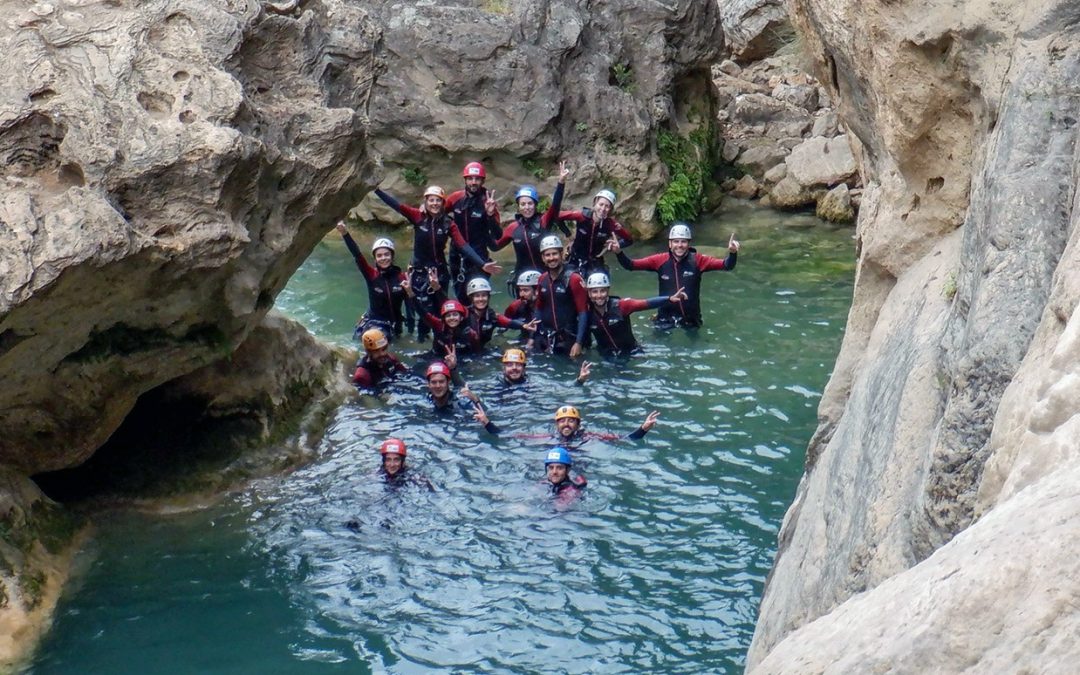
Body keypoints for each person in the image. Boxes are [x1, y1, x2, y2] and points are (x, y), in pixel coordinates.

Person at [372, 184, 500, 340]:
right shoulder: (417, 216)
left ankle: (444, 342)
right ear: (426, 202)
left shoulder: (448, 223)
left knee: (441, 311)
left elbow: (463, 245)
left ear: (443, 203)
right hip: (419, 273)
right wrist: (376, 190)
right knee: (421, 312)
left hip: (439, 273)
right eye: (431, 200)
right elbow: (396, 205)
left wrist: (482, 264)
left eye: (438, 200)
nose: (434, 204)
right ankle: (418, 341)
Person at [608, 222, 739, 328]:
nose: (679, 245)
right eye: (676, 242)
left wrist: (732, 253)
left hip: (691, 318)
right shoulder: (660, 260)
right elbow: (630, 265)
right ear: (670, 244)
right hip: (665, 317)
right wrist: (619, 252)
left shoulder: (698, 260)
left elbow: (727, 265)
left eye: (683, 242)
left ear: (689, 244)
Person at [490, 161, 572, 294]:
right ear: (518, 206)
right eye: (523, 204)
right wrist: (489, 217)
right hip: (523, 282)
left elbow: (555, 206)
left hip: (546, 278)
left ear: (535, 205)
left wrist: (561, 182)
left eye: (530, 203)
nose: (527, 207)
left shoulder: (544, 221)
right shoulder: (513, 228)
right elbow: (495, 246)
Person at [584, 272, 688, 357]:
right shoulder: (586, 313)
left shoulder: (621, 305)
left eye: (602, 291)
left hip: (632, 352)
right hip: (607, 355)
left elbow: (646, 303)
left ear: (608, 291)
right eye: (594, 292)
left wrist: (669, 298)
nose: (599, 295)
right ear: (589, 293)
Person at [335, 222, 409, 341]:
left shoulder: (402, 278)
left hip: (395, 325)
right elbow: (357, 255)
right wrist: (345, 233)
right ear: (375, 259)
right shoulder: (371, 275)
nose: (383, 258)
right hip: (374, 323)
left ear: (392, 256)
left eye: (387, 254)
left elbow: (412, 303)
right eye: (379, 256)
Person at [445, 162, 504, 303]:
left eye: (477, 179)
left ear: (482, 181)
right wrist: (424, 206)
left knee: (478, 299)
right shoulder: (455, 198)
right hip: (457, 256)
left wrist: (490, 215)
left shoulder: (487, 201)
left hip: (479, 257)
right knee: (461, 299)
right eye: (470, 178)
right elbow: (436, 212)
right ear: (465, 180)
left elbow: (498, 235)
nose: (473, 182)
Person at [531, 235, 588, 357]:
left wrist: (579, 342)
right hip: (549, 337)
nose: (551, 258)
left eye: (554, 254)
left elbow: (583, 312)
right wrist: (532, 337)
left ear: (561, 254)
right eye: (547, 255)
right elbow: (538, 309)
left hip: (570, 338)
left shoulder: (573, 279)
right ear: (542, 258)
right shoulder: (542, 279)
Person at [558, 188, 634, 277]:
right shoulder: (581, 216)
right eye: (601, 204)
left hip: (596, 262)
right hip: (575, 259)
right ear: (595, 204)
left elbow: (629, 240)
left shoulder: (611, 224)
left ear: (610, 210)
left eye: (607, 206)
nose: (603, 209)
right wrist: (568, 234)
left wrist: (613, 247)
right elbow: (557, 216)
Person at [402, 275, 479, 358]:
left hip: (461, 361)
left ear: (461, 318)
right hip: (436, 357)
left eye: (455, 315)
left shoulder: (470, 333)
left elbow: (477, 353)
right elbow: (422, 313)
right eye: (448, 316)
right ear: (444, 318)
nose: (452, 318)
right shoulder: (438, 325)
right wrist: (410, 292)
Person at [534, 404, 661, 451]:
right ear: (556, 425)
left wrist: (643, 429)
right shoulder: (550, 438)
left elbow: (624, 438)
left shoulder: (588, 437)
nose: (566, 424)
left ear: (578, 425)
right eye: (562, 421)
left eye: (571, 421)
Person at [463, 277, 539, 351]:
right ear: (471, 298)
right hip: (462, 353)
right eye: (477, 296)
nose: (481, 299)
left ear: (488, 297)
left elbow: (507, 322)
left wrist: (524, 325)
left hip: (483, 352)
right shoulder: (463, 314)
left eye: (484, 295)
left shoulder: (492, 316)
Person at [424, 361, 498, 434]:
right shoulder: (426, 401)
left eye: (441, 381)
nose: (438, 386)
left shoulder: (462, 403)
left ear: (448, 382)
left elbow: (495, 426)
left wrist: (476, 400)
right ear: (428, 384)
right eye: (434, 382)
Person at [503, 270, 541, 342]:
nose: (521, 295)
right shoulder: (515, 306)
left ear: (537, 290)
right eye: (520, 290)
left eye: (526, 290)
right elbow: (503, 324)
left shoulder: (548, 306)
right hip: (524, 339)